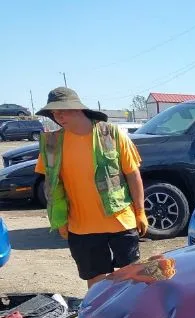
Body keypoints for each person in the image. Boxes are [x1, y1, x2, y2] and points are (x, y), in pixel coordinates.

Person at [34, 87, 148, 288]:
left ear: (77, 109)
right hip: (81, 227)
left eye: (62, 110)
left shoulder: (112, 134)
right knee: (96, 284)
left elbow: (132, 174)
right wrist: (59, 219)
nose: (57, 116)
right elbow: (52, 184)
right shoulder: (52, 143)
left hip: (120, 220)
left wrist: (140, 211)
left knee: (129, 280)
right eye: (53, 112)